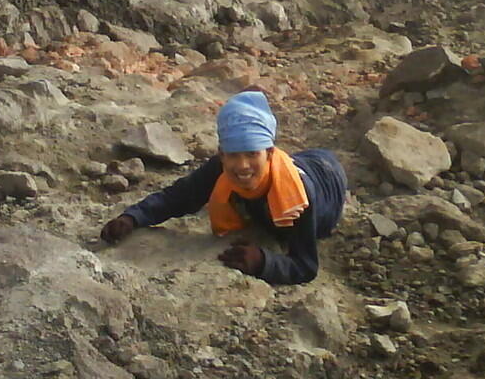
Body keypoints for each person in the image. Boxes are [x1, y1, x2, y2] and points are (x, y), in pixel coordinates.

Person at [98, 90, 347, 285]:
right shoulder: (222, 167)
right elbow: (181, 196)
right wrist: (133, 217)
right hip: (304, 160)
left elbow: (305, 266)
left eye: (252, 154)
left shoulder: (300, 197)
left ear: (269, 154)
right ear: (221, 154)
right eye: (233, 155)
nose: (242, 166)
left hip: (328, 175)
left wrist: (264, 262)